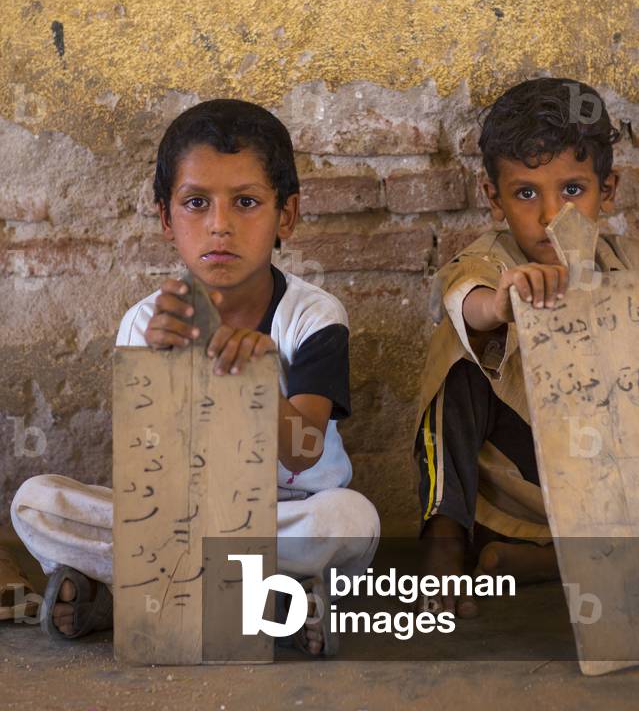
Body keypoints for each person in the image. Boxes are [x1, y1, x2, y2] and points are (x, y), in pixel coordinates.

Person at [11, 99, 379, 654]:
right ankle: (270, 598)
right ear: (166, 217)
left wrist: (257, 380)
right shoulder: (145, 322)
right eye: (196, 203)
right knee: (36, 503)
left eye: (247, 203)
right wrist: (164, 370)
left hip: (284, 514)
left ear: (287, 216)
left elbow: (304, 452)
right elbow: (146, 471)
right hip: (178, 521)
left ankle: (126, 589)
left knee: (351, 520)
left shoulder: (312, 317)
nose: (220, 225)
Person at [415, 77, 639, 618]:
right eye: (526, 193)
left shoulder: (637, 268)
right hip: (522, 492)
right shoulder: (491, 260)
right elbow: (465, 297)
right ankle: (444, 536)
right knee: (458, 347)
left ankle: (549, 564)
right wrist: (501, 305)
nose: (551, 214)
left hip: (618, 495)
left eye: (573, 190)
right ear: (495, 198)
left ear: (609, 190)